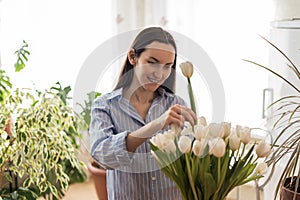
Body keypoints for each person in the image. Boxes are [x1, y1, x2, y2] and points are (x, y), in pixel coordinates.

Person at [90, 27, 197, 200]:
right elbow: (103, 156)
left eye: (167, 66)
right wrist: (155, 125)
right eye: (152, 62)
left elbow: (192, 162)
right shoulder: (105, 106)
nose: (159, 73)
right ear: (133, 57)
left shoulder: (177, 105)